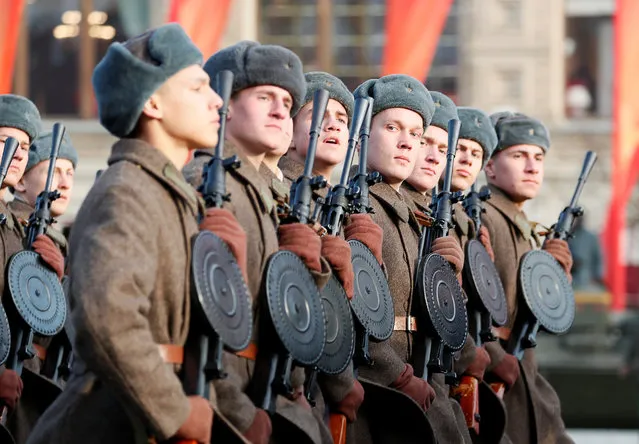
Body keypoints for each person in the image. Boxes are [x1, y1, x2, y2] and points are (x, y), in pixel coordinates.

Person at [27, 23, 236, 444]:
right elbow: (108, 319)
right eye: (198, 88)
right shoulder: (128, 191)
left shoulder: (167, 194)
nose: (217, 101)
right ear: (153, 102)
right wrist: (175, 412)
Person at [183, 40, 331, 444]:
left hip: (267, 389)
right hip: (224, 401)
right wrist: (235, 409)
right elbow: (195, 316)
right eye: (265, 96)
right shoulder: (205, 180)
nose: (281, 110)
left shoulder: (261, 191)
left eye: (286, 100)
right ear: (223, 105)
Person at [347, 74, 470, 443]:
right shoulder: (353, 205)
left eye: (415, 133)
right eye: (392, 127)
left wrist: (451, 284)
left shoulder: (416, 216)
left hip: (419, 383)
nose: (407, 142)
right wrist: (396, 376)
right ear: (363, 135)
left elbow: (429, 313)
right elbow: (351, 314)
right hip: (377, 394)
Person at [482, 111, 575, 444]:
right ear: (490, 166)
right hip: (496, 372)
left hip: (524, 370)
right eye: (518, 155)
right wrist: (493, 356)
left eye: (538, 157)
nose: (533, 167)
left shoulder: (522, 224)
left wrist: (553, 279)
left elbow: (541, 318)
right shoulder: (483, 215)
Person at [10, 130, 78, 256]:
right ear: (20, 182)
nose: (65, 184)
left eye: (69, 173)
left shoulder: (57, 238)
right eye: (54, 172)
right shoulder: (9, 228)